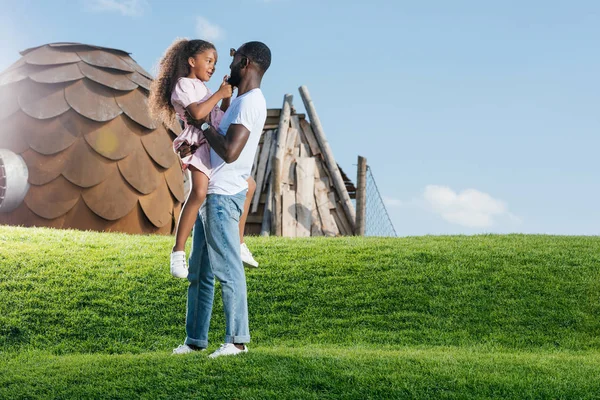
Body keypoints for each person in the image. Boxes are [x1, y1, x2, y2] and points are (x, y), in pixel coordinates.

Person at [172, 41, 271, 358]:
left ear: (245, 63)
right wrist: (192, 145)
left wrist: (199, 122)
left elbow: (229, 151)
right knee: (200, 274)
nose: (223, 67)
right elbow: (211, 142)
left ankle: (237, 341)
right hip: (211, 194)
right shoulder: (239, 101)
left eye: (230, 59)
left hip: (223, 196)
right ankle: (194, 341)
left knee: (228, 270)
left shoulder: (249, 104)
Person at [148, 39, 259, 280]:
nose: (212, 67)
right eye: (208, 61)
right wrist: (219, 93)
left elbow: (218, 112)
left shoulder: (201, 87)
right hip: (198, 144)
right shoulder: (183, 85)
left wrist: (226, 95)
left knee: (249, 185)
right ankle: (177, 251)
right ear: (191, 61)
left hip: (214, 140)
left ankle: (239, 243)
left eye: (215, 63)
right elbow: (198, 114)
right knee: (198, 192)